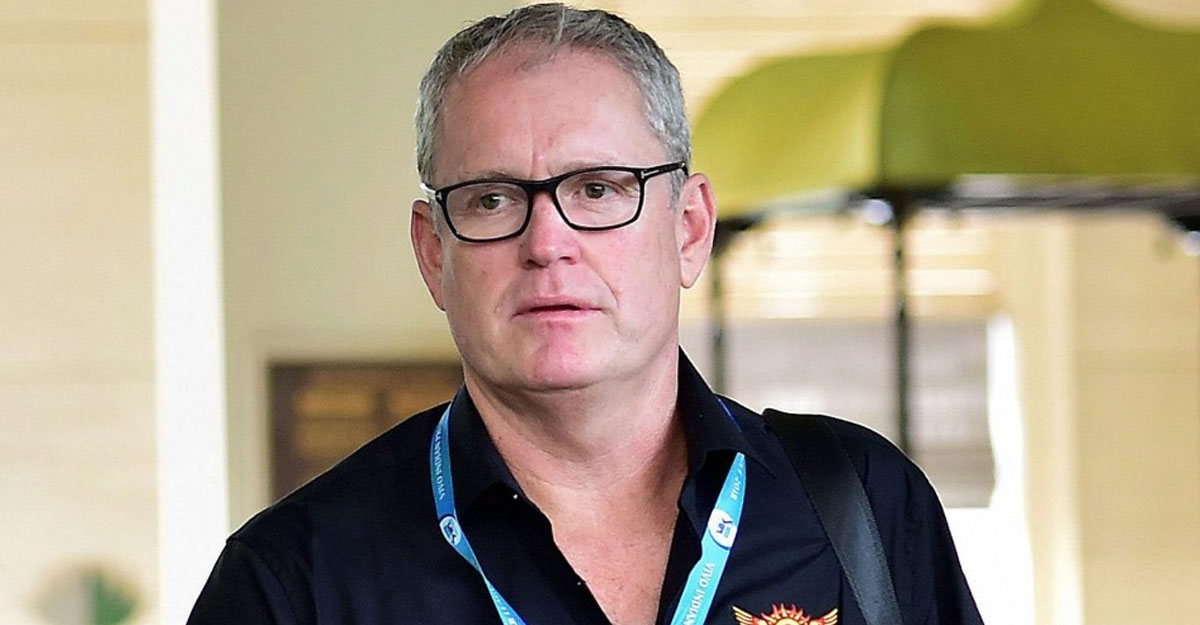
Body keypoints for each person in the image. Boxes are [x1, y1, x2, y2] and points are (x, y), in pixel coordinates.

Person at [188, 4, 983, 624]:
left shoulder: (862, 508)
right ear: (434, 253)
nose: (547, 244)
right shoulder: (293, 582)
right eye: (493, 199)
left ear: (689, 229)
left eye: (598, 189)